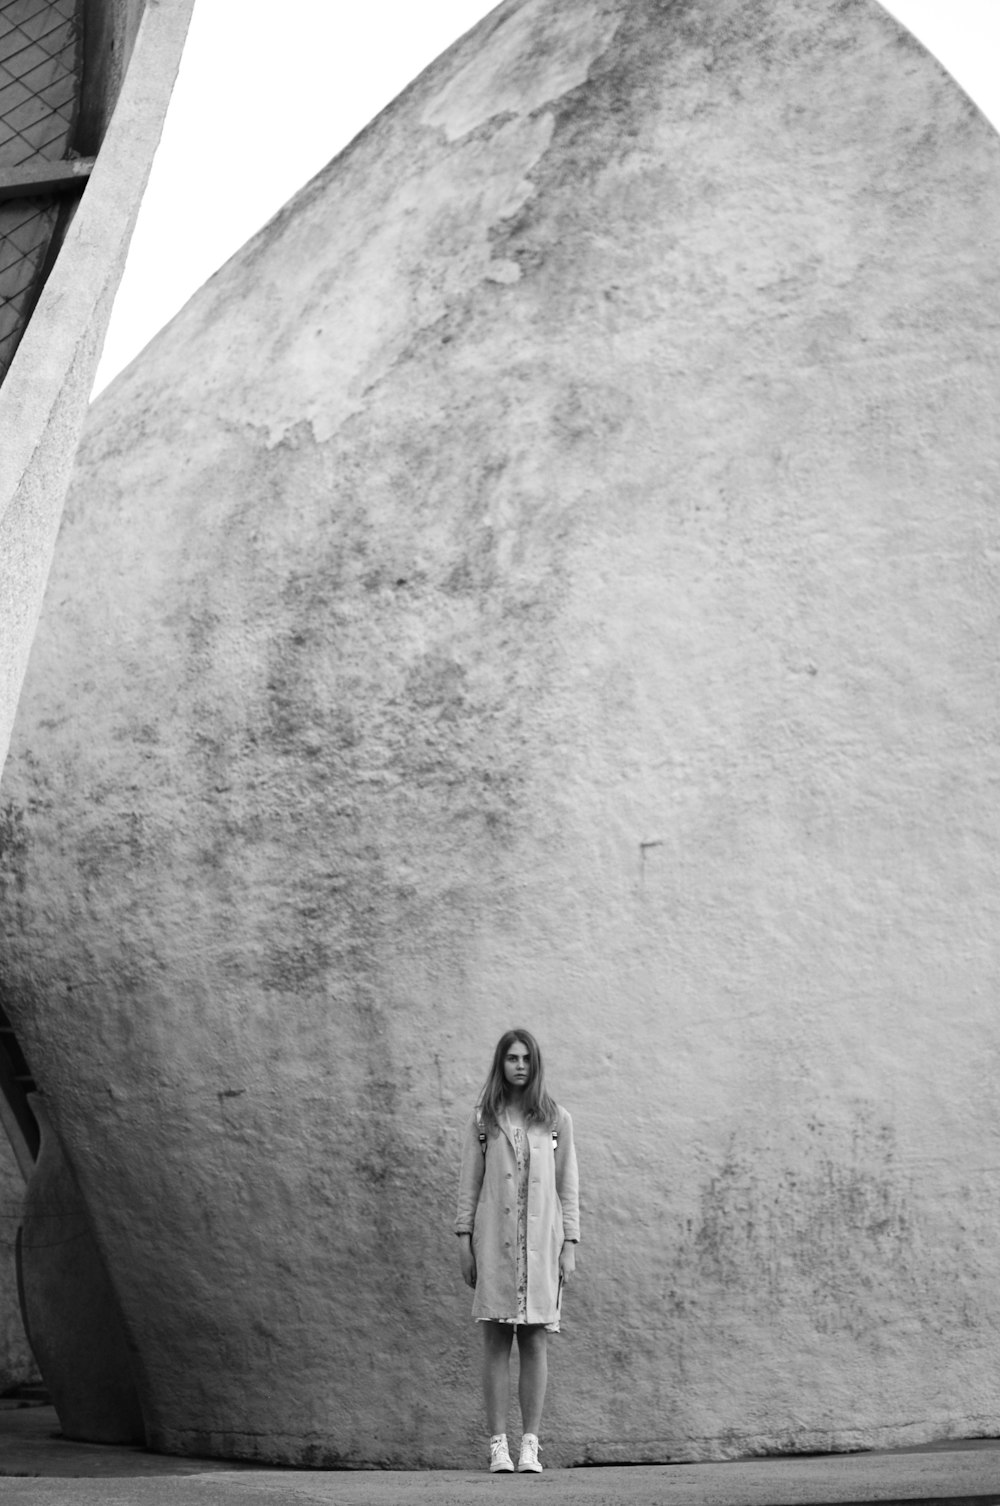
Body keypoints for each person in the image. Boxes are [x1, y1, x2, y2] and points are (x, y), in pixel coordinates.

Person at [455, 1028, 580, 1473]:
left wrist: (569, 1244)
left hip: (542, 1247)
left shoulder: (556, 1120)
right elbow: (468, 1186)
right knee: (494, 1341)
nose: (520, 1065)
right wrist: (464, 1242)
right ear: (501, 1063)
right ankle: (498, 1445)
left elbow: (568, 1186)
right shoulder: (482, 1121)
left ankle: (530, 1443)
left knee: (535, 1341)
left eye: (527, 1057)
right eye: (512, 1058)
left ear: (536, 1063)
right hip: (494, 1244)